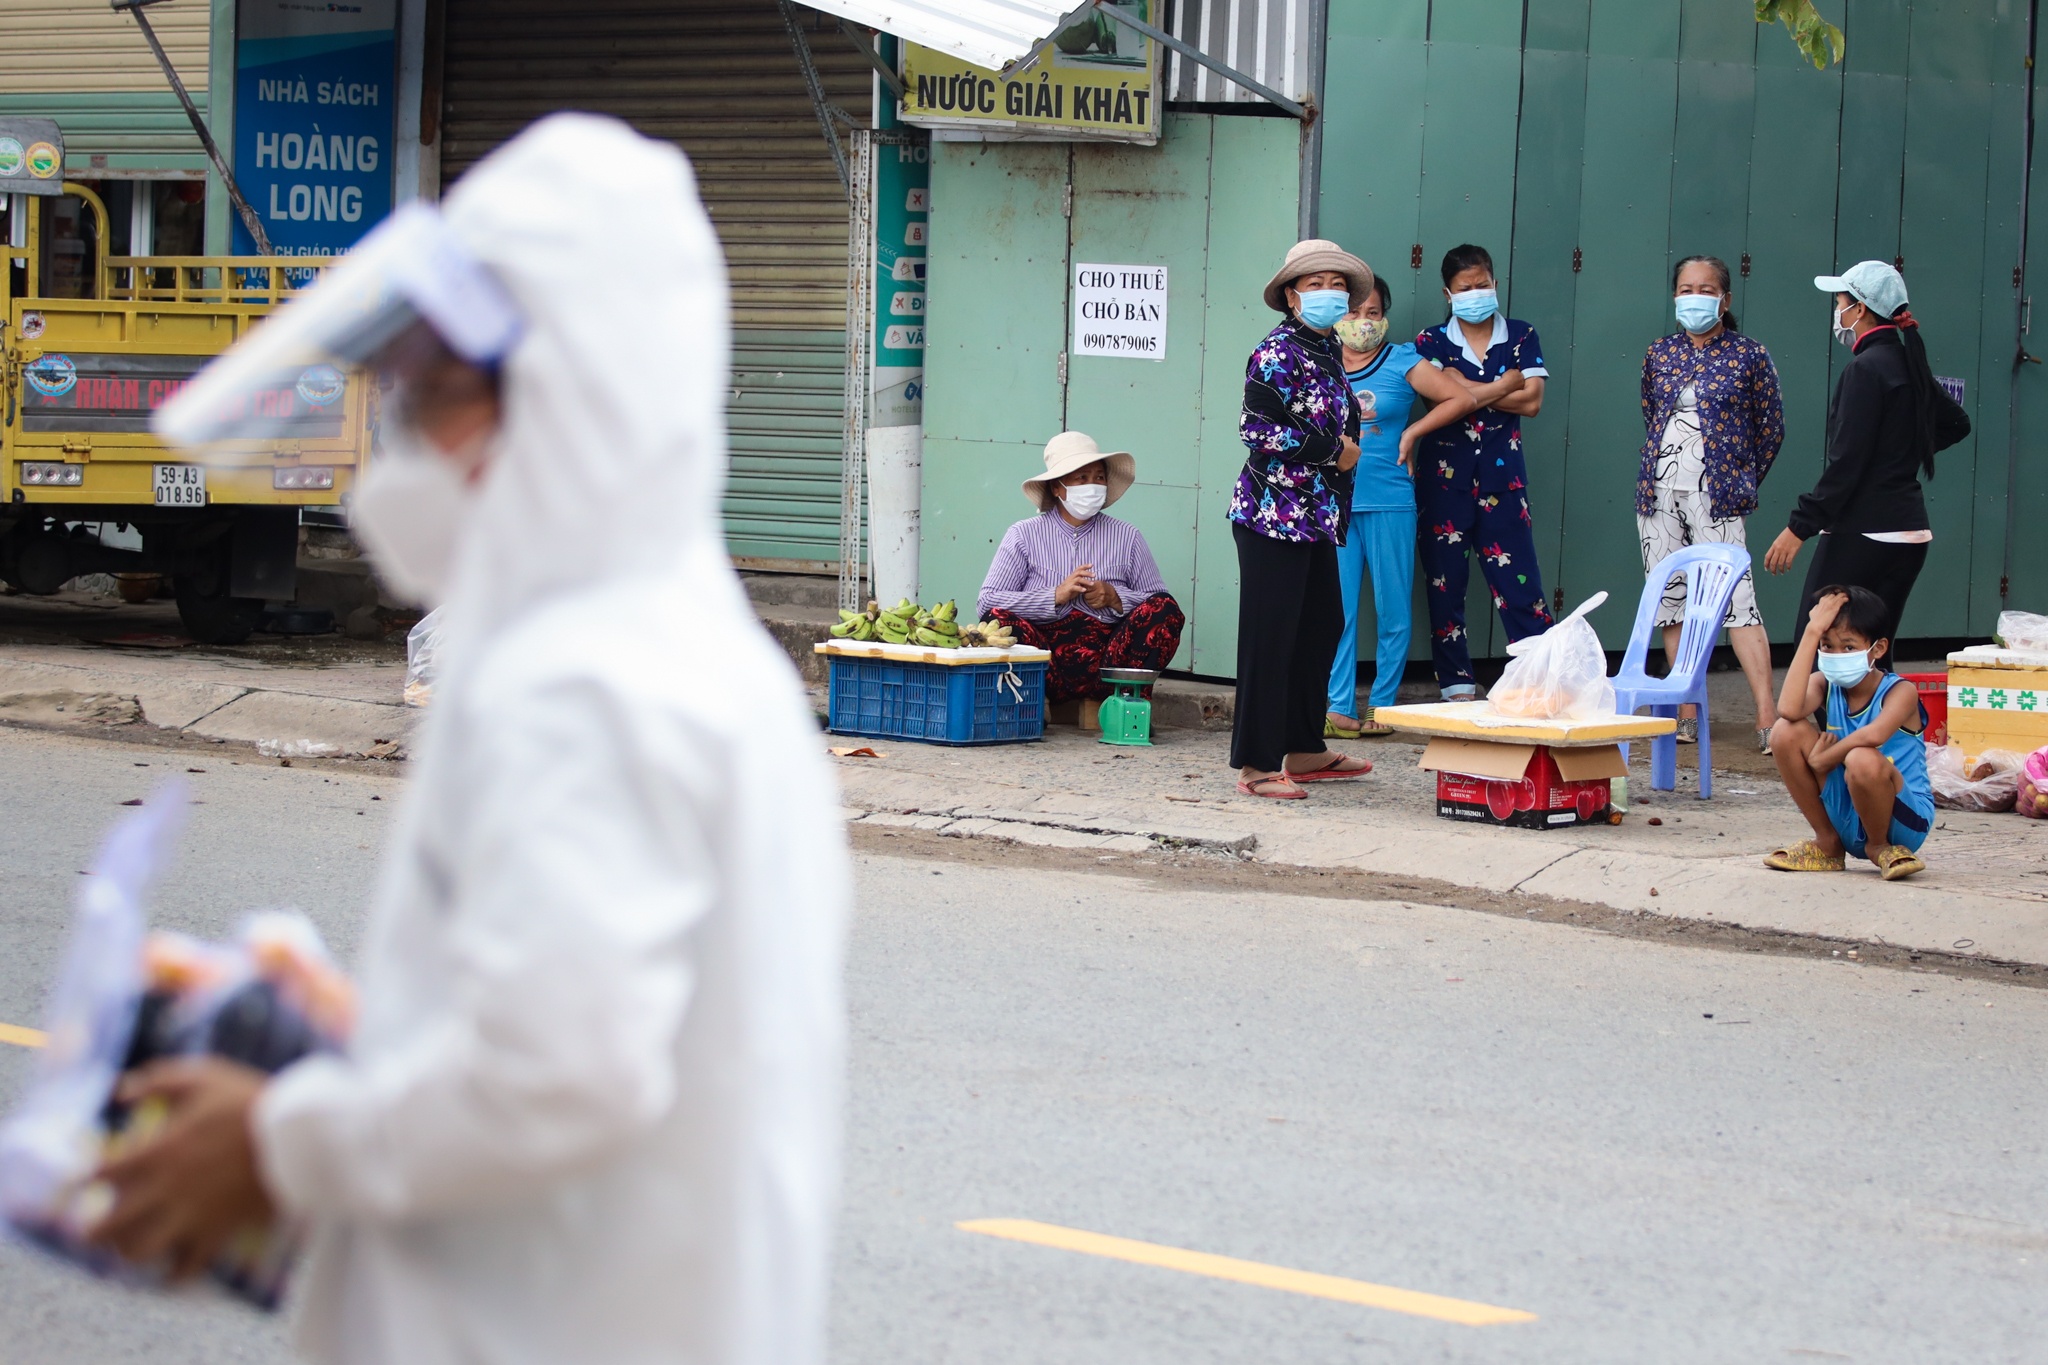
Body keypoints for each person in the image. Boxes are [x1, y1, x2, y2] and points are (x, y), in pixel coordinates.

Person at [93, 115, 850, 1365]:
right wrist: (374, 1031)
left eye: (431, 392)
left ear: (573, 395)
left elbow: (559, 1075)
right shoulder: (675, 642)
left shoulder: (580, 682)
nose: (401, 436)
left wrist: (279, 1140)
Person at [1324, 276, 1512, 737]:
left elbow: (1461, 397)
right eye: (1351, 312)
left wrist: (1413, 433)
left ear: (1384, 316)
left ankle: (1384, 708)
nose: (1361, 323)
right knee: (1338, 612)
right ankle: (1338, 707)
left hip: (1389, 500)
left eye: (1372, 313)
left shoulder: (1402, 359)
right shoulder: (1321, 361)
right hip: (1334, 504)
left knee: (1392, 609)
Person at [1230, 238, 1375, 799]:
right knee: (1271, 637)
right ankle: (1256, 765)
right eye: (1314, 285)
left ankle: (1304, 747)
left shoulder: (1325, 349)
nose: (1328, 293)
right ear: (1292, 296)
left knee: (1319, 627)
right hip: (1272, 514)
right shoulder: (1277, 351)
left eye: (1336, 284)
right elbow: (1256, 430)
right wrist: (1329, 451)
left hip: (1314, 516)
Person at [1763, 260, 1966, 659]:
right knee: (1874, 650)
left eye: (1839, 300)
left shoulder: (1865, 369)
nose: (1836, 309)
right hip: (1909, 534)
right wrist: (1899, 454)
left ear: (1859, 309)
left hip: (1864, 530)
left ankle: (1814, 724)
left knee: (1819, 642)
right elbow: (1957, 423)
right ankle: (1888, 723)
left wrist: (1799, 527)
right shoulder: (1909, 363)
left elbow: (1846, 464)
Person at [1637, 254, 1786, 753]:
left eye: (1704, 289)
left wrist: (1737, 479)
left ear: (1725, 298)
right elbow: (1650, 415)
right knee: (1672, 603)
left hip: (1719, 497)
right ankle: (1685, 711)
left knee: (1737, 603)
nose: (1693, 297)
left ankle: (1768, 715)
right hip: (1657, 495)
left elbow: (1771, 429)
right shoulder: (1659, 352)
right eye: (1684, 288)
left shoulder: (1749, 355)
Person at [1412, 244, 1550, 699]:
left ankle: (1537, 680)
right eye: (1465, 288)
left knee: (1520, 582)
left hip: (1503, 479)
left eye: (1483, 285)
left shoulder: (1522, 334)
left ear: (1495, 282)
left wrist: (1466, 387)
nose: (1476, 293)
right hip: (1443, 482)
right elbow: (1438, 402)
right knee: (1444, 583)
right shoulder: (1430, 341)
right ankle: (1456, 685)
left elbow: (1531, 402)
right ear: (1448, 293)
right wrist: (1505, 384)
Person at [979, 431, 1184, 714]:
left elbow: (1158, 601)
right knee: (997, 619)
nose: (1093, 486)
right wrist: (1055, 596)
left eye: (1099, 478)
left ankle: (1127, 703)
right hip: (1047, 661)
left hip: (1110, 661)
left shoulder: (1128, 536)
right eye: (1081, 478)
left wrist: (1115, 597)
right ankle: (1033, 698)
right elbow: (987, 601)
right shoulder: (1023, 535)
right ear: (1057, 487)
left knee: (1166, 610)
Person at [1765, 584, 1931, 880]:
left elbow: (1873, 736)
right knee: (1784, 732)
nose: (1836, 654)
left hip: (1902, 822)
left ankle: (1879, 847)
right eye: (1827, 645)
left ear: (1877, 649)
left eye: (1849, 646)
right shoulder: (1824, 684)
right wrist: (1811, 632)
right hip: (1849, 810)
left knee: (1861, 758)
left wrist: (1825, 758)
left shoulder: (1901, 690)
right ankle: (1828, 842)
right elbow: (1788, 710)